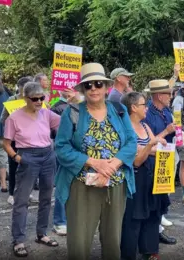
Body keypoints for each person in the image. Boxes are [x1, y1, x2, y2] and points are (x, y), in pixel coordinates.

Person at [54, 63, 137, 260]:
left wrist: (113, 164)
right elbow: (61, 147)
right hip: (82, 186)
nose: (93, 88)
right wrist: (93, 162)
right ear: (82, 88)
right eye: (88, 85)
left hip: (115, 183)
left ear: (106, 87)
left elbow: (131, 142)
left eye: (98, 84)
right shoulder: (72, 112)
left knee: (112, 241)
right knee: (79, 243)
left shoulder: (119, 109)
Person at [2, 82, 61, 257]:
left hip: (47, 156)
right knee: (21, 200)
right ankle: (18, 240)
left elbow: (66, 121)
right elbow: (6, 143)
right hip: (27, 156)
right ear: (25, 98)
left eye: (42, 98)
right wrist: (17, 158)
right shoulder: (14, 117)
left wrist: (72, 100)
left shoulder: (46, 113)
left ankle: (41, 234)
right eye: (35, 99)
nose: (39, 102)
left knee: (46, 197)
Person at [120, 91, 171, 260]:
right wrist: (149, 146)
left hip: (151, 176)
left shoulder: (144, 125)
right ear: (133, 107)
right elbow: (136, 161)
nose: (147, 108)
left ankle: (149, 252)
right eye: (144, 105)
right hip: (135, 178)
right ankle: (129, 254)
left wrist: (157, 146)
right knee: (134, 218)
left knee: (152, 214)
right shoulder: (124, 128)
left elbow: (152, 148)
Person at [143, 78, 180, 245]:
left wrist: (178, 134)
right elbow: (146, 142)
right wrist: (167, 131)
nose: (171, 96)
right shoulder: (147, 114)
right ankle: (150, 235)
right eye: (168, 93)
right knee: (151, 201)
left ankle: (157, 231)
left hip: (167, 159)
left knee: (162, 199)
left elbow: (171, 133)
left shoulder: (166, 111)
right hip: (152, 162)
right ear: (158, 95)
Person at [0, 76, 36, 205]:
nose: (25, 93)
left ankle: (27, 191)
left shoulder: (34, 100)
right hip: (15, 140)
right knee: (14, 166)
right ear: (19, 88)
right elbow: (2, 119)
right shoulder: (11, 100)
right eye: (23, 90)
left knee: (29, 167)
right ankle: (12, 193)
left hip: (30, 140)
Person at [51, 88, 81, 236]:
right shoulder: (64, 111)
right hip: (68, 159)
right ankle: (60, 221)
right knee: (63, 188)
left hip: (80, 161)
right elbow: (59, 141)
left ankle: (69, 220)